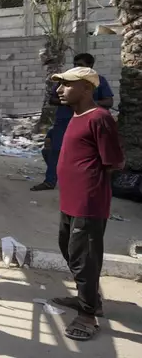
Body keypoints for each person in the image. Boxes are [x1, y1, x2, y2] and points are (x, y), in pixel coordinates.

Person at [48, 66, 124, 341]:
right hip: (70, 201)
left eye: (68, 84)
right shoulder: (75, 116)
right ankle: (88, 298)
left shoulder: (100, 118)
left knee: (85, 258)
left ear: (87, 88)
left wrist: (90, 186)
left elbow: (114, 161)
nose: (60, 90)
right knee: (69, 249)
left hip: (88, 203)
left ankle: (88, 315)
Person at [31, 53, 115, 191]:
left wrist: (86, 103)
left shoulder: (98, 81)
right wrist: (68, 101)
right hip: (64, 121)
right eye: (75, 64)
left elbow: (108, 101)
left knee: (86, 154)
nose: (76, 67)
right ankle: (50, 181)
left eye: (80, 65)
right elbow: (53, 99)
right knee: (54, 150)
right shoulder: (66, 79)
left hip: (87, 123)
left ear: (90, 66)